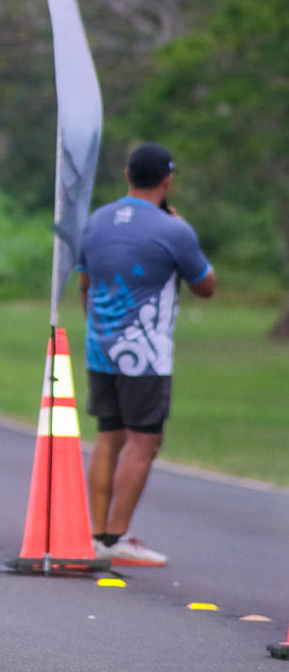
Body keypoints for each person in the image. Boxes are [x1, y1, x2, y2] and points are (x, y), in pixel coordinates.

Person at [77, 142, 216, 568]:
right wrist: (184, 229)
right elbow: (206, 286)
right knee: (145, 440)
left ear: (127, 175)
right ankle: (116, 537)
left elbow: (85, 286)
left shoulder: (97, 221)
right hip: (145, 352)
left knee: (108, 435)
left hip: (100, 347)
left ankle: (97, 535)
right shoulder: (174, 230)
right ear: (167, 180)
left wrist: (101, 329)